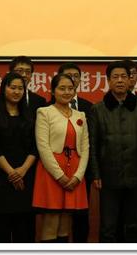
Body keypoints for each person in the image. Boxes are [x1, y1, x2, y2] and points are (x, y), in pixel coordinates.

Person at [89, 61, 137, 242]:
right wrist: (96, 173)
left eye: (123, 76)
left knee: (135, 224)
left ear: (130, 80)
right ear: (108, 81)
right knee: (108, 226)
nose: (120, 80)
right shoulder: (98, 109)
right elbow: (93, 145)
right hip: (108, 176)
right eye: (115, 77)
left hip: (136, 174)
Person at [32, 74, 89, 243]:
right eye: (62, 88)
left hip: (74, 171)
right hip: (52, 172)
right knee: (51, 220)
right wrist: (59, 176)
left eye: (70, 88)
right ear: (52, 91)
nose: (67, 92)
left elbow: (85, 148)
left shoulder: (80, 115)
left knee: (66, 222)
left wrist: (78, 176)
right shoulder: (44, 112)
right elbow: (43, 147)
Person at [0, 72, 37, 242]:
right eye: (12, 87)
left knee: (24, 230)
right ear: (4, 89)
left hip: (26, 176)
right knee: (2, 230)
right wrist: (11, 172)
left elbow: (35, 147)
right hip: (1, 178)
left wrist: (23, 170)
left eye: (20, 88)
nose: (16, 91)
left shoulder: (29, 114)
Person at [57, 62, 93, 243]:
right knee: (58, 216)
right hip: (57, 170)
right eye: (68, 76)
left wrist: (82, 173)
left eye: (76, 76)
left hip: (82, 170)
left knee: (80, 216)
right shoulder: (47, 108)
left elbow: (91, 141)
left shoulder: (89, 107)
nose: (72, 80)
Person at [0, 56, 47, 121]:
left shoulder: (40, 101)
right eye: (20, 71)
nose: (24, 75)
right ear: (11, 72)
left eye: (28, 72)